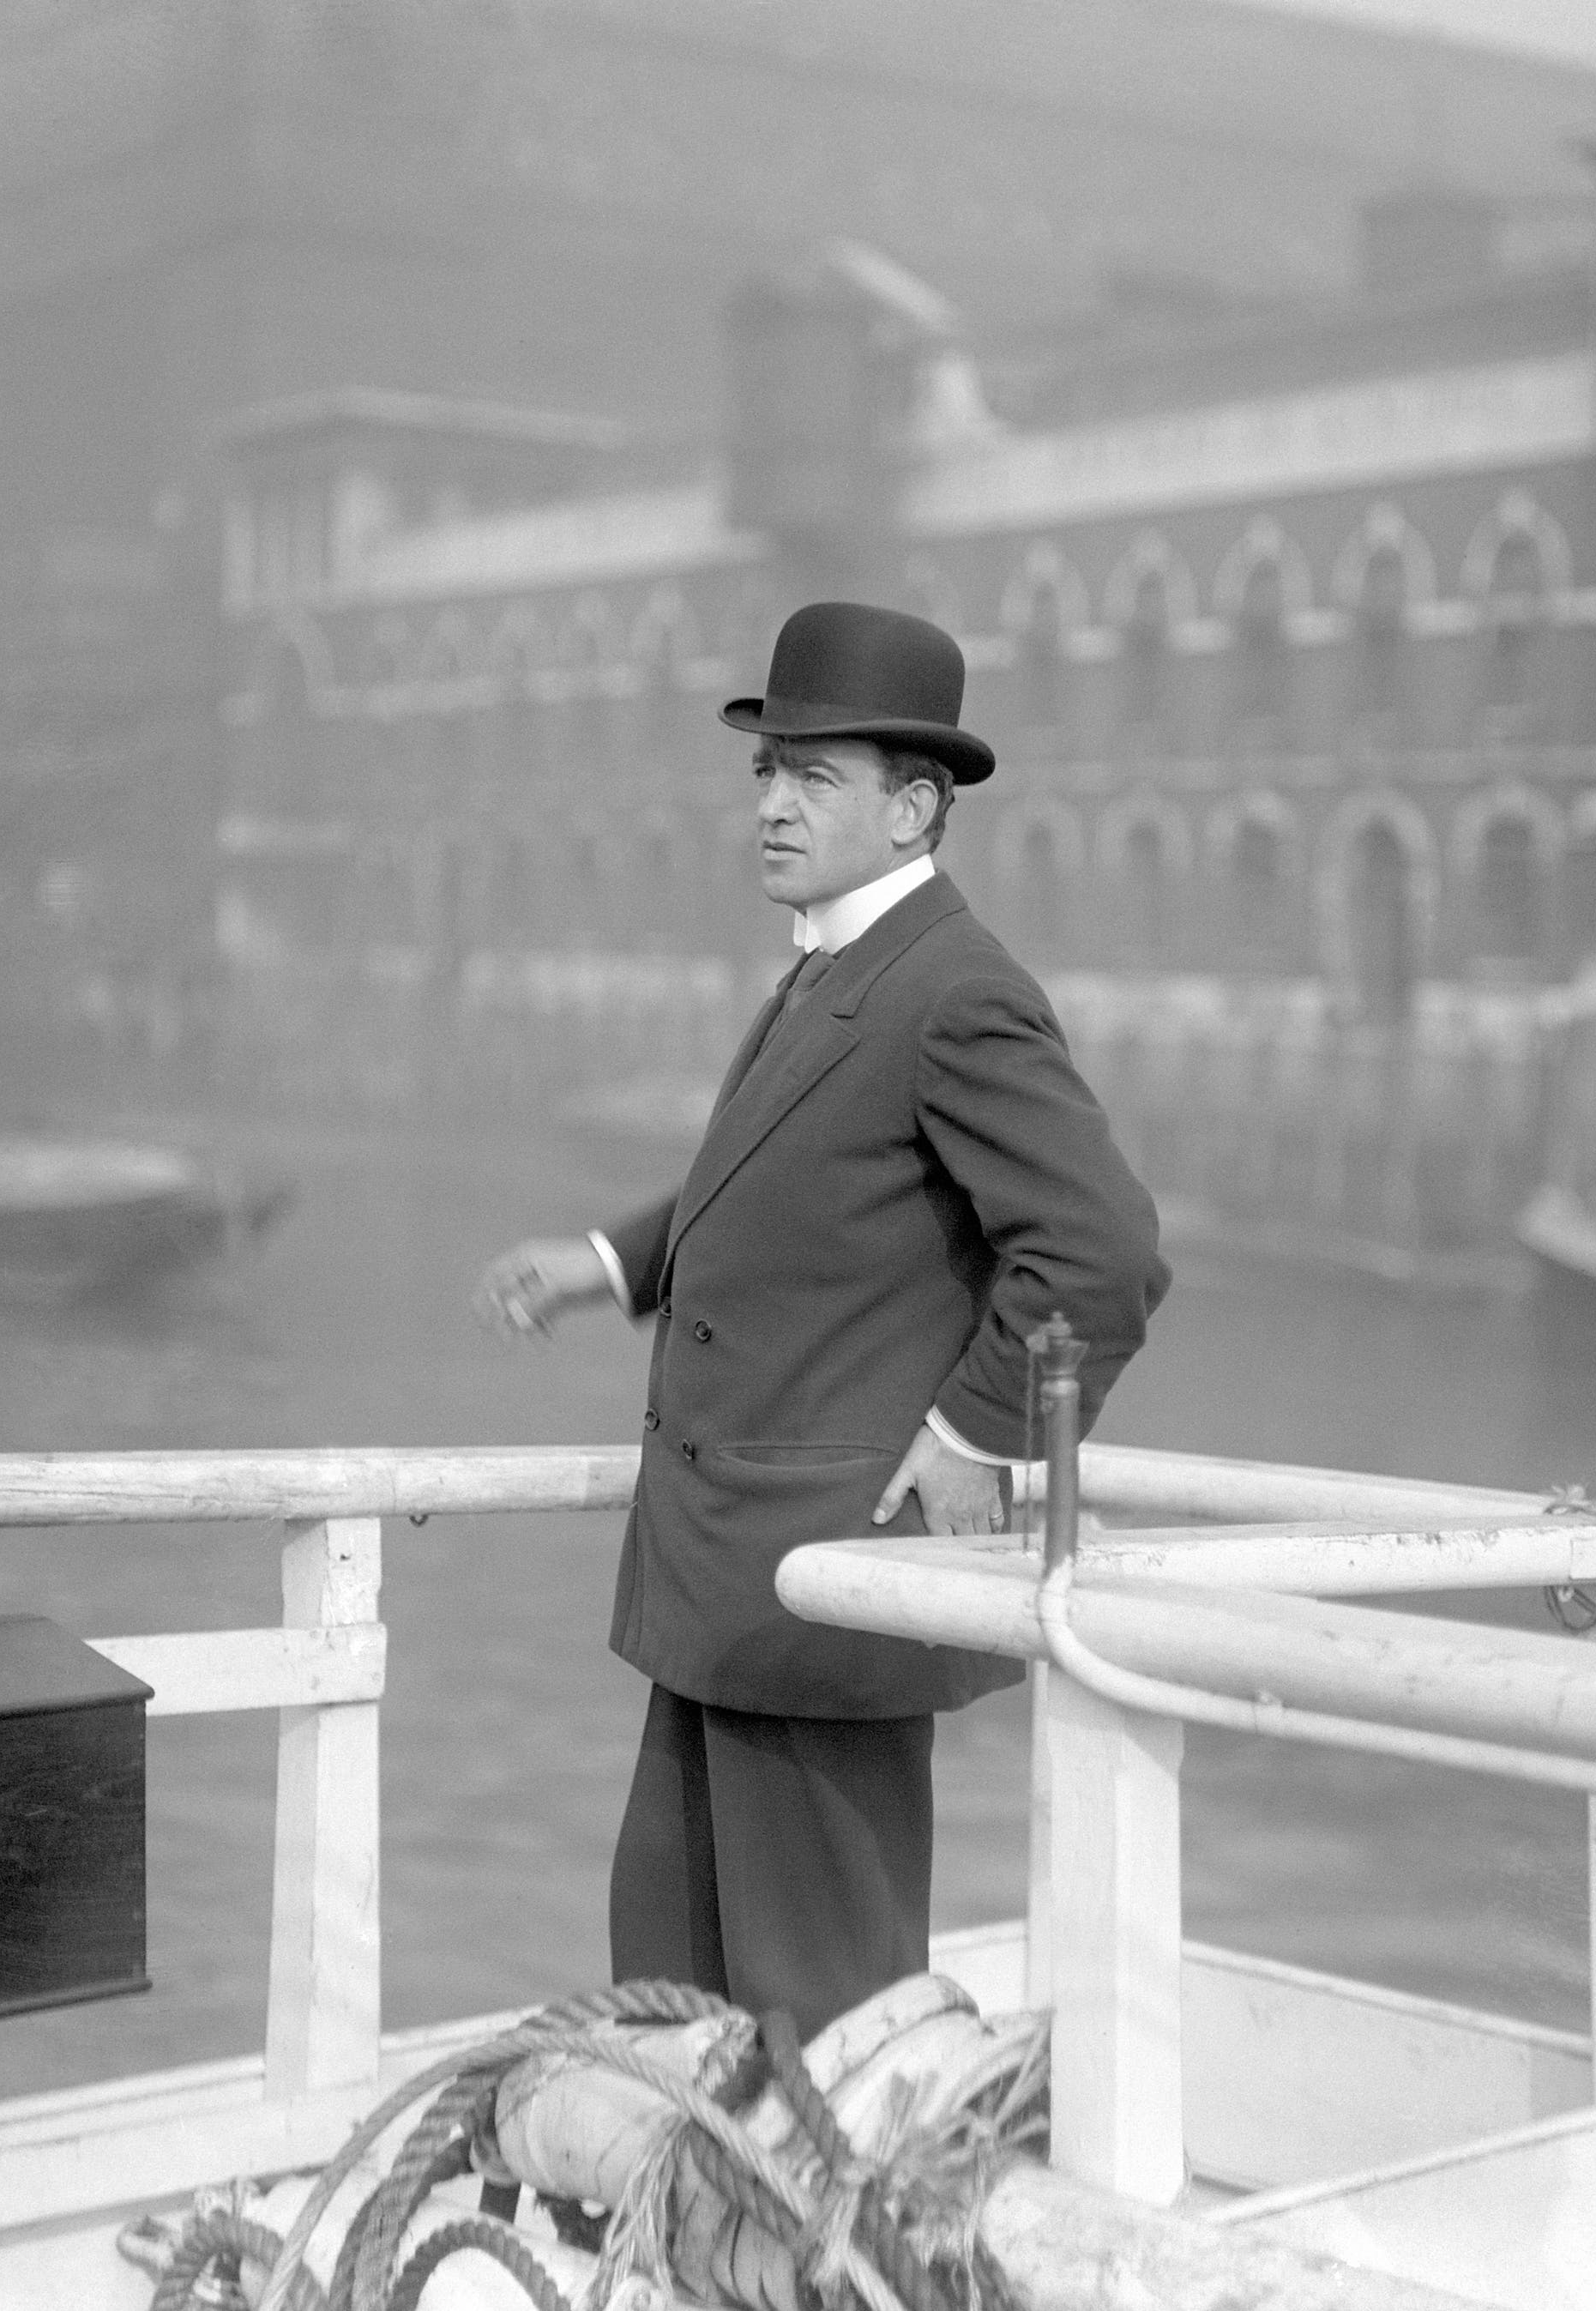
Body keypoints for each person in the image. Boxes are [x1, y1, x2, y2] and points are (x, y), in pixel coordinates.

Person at [473, 600, 1168, 2036]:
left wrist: (976, 1432)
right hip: (729, 1588)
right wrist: (611, 1258)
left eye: (817, 776)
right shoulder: (837, 969)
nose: (775, 804)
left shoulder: (955, 991)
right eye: (766, 771)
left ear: (916, 807)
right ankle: (703, 2246)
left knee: (820, 2021)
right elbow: (787, 1183)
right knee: (675, 1996)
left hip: (828, 1591)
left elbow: (1101, 1252)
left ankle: (819, 2260)